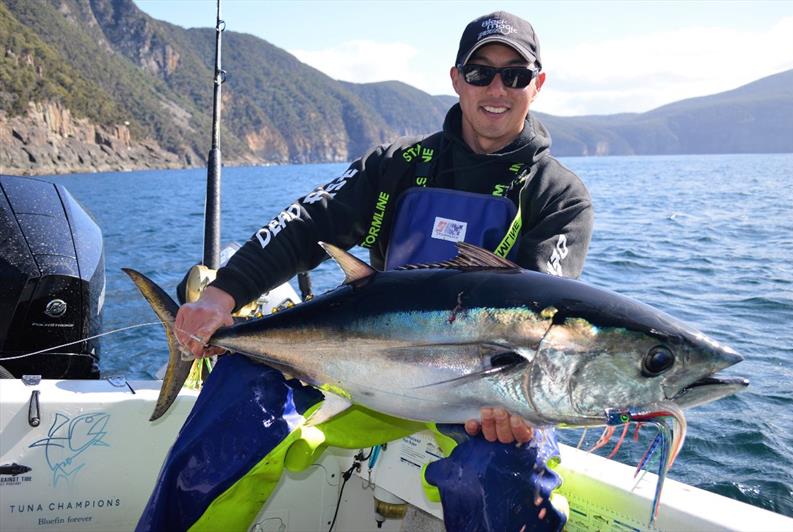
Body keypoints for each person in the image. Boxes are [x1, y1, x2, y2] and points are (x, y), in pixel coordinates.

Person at [139, 10, 593, 532]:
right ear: (455, 80)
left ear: (536, 85)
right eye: (480, 72)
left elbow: (542, 318)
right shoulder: (399, 164)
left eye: (514, 75)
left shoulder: (557, 196)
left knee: (507, 466)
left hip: (480, 396)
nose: (497, 87)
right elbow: (307, 222)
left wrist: (517, 404)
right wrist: (221, 296)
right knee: (239, 394)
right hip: (356, 372)